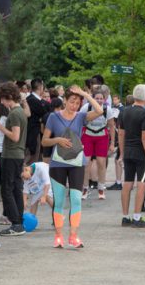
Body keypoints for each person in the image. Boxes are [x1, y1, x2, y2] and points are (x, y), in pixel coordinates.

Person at [42, 85, 103, 248]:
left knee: (76, 199)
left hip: (77, 162)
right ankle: (58, 235)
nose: (74, 105)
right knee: (59, 201)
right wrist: (57, 140)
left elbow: (99, 111)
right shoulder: (53, 117)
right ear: (65, 101)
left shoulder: (81, 116)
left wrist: (85, 94)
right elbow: (44, 140)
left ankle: (73, 235)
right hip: (58, 163)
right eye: (72, 101)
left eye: (77, 102)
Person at [118, 84, 145, 227]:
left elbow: (121, 133)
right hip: (141, 152)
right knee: (141, 183)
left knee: (127, 183)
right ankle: (137, 217)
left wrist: (122, 153)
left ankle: (125, 216)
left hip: (127, 151)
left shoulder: (124, 111)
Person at [0, 82, 29, 236]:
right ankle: (19, 222)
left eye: (2, 99)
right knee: (16, 188)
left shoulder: (14, 113)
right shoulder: (20, 111)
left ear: (8, 96)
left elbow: (15, 136)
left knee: (8, 190)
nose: (1, 102)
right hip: (18, 155)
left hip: (11, 154)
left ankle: (15, 223)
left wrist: (0, 127)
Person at [81, 87, 118, 200]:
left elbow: (112, 126)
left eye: (101, 98)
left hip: (102, 136)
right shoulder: (86, 107)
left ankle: (101, 187)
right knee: (86, 163)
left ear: (104, 99)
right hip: (87, 135)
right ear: (92, 99)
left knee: (101, 163)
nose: (99, 100)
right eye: (97, 98)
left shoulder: (108, 109)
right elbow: (79, 122)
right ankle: (85, 188)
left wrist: (112, 143)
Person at [26, 79, 47, 164]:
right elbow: (44, 114)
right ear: (40, 87)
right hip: (32, 133)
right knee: (31, 158)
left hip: (34, 132)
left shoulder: (32, 99)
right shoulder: (33, 100)